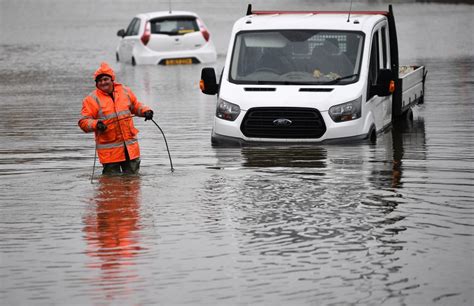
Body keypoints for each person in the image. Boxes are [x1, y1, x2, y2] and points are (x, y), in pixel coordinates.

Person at [78, 62, 154, 175]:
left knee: (133, 184)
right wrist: (96, 124)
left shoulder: (125, 91)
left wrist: (146, 111)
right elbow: (83, 122)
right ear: (96, 83)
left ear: (112, 79)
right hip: (109, 153)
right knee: (112, 186)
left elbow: (135, 106)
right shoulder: (90, 99)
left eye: (105, 79)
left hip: (130, 149)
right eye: (99, 81)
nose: (103, 82)